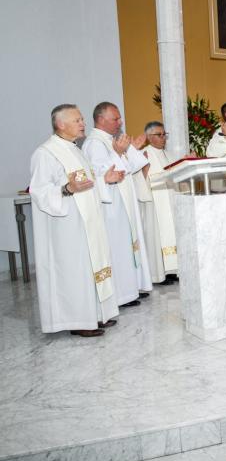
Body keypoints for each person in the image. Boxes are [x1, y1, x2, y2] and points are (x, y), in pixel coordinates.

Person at [30, 104, 122, 337]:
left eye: (82, 119)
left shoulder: (76, 150)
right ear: (61, 124)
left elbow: (87, 184)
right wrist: (67, 189)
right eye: (77, 120)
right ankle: (78, 320)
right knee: (74, 272)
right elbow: (39, 191)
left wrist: (104, 180)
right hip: (67, 226)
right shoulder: (46, 153)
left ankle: (94, 315)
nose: (83, 124)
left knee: (90, 268)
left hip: (87, 223)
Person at [83, 102, 153, 307]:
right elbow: (105, 174)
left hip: (124, 202)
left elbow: (132, 166)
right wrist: (119, 153)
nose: (120, 122)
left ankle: (132, 289)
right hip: (111, 206)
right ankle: (121, 295)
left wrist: (131, 150)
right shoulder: (94, 144)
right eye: (115, 119)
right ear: (101, 119)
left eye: (120, 118)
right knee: (118, 248)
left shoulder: (112, 139)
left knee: (128, 246)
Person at [137, 121, 179, 284]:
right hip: (155, 203)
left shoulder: (168, 154)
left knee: (172, 233)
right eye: (159, 135)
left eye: (164, 134)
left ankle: (173, 269)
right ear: (148, 137)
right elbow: (138, 180)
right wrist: (144, 172)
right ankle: (160, 273)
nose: (163, 138)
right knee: (159, 235)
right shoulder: (143, 155)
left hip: (170, 199)